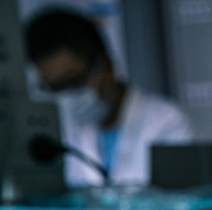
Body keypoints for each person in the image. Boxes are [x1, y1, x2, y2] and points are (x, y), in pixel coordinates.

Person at [24, 9, 193, 188]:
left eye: (73, 81)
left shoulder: (166, 122)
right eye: (55, 88)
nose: (67, 95)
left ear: (107, 66)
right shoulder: (58, 135)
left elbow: (180, 197)